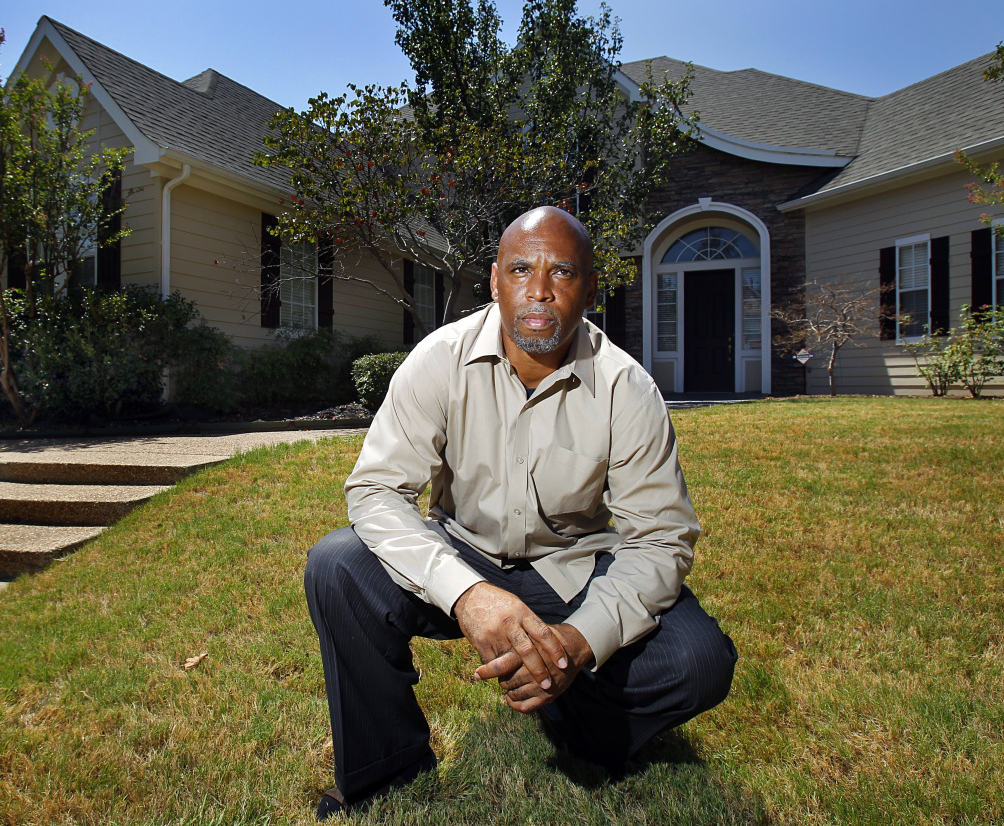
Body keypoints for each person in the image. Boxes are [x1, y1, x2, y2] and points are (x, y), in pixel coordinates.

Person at [304, 206, 737, 820]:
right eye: (520, 269)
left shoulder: (626, 389)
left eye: (562, 271)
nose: (538, 291)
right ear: (494, 280)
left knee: (698, 662)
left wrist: (581, 640)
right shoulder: (439, 360)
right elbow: (376, 491)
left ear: (590, 287)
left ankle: (576, 716)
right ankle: (386, 772)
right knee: (338, 565)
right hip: (462, 551)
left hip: (572, 568)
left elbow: (662, 540)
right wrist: (468, 594)